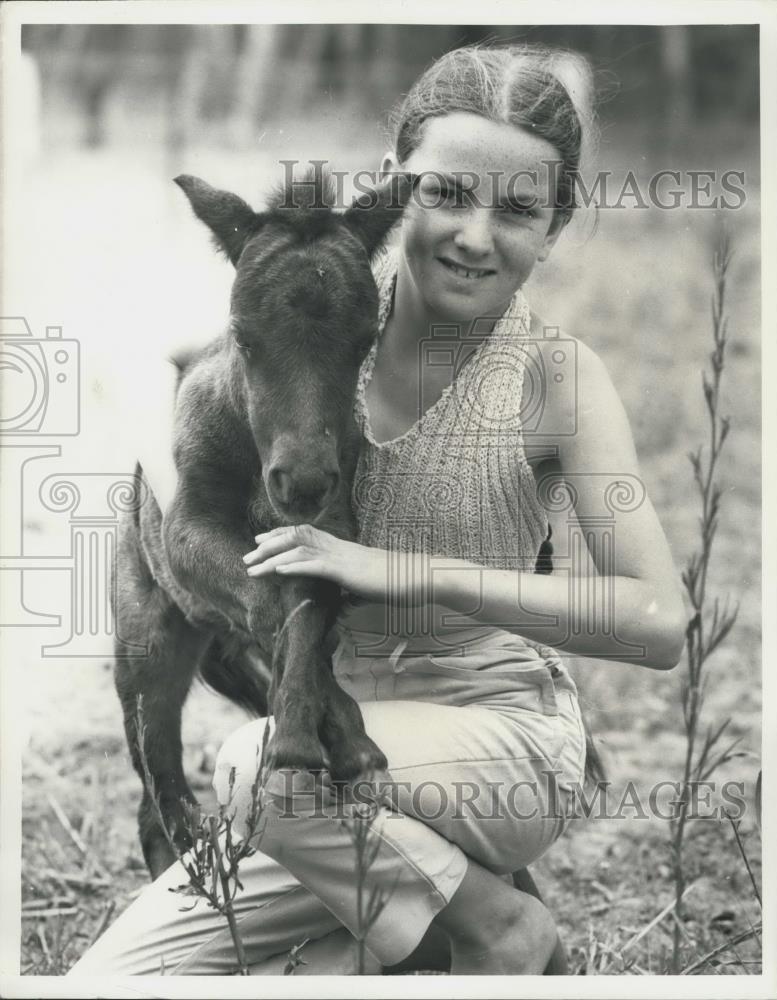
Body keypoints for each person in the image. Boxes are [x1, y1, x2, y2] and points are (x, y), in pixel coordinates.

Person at [68, 42, 686, 978]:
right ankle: (425, 929)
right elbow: (179, 412)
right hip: (329, 750)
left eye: (518, 209)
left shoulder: (558, 380)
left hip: (489, 737)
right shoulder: (318, 313)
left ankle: (495, 923)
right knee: (113, 982)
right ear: (397, 191)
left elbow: (659, 621)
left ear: (556, 226)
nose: (476, 236)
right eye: (446, 194)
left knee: (252, 770)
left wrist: (398, 571)